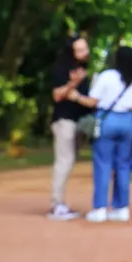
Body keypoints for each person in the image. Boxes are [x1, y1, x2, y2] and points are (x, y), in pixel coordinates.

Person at [79, 46, 132, 223]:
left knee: (103, 165)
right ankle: (121, 208)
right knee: (123, 166)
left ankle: (100, 208)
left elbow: (92, 101)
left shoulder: (107, 76)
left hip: (107, 121)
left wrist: (75, 97)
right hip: (127, 122)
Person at [48, 35, 91, 220]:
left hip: (77, 121)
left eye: (85, 48)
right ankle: (56, 204)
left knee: (69, 160)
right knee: (64, 161)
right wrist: (73, 83)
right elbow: (57, 95)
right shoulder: (61, 68)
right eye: (80, 50)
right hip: (63, 120)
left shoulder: (84, 70)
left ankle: (60, 202)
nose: (85, 53)